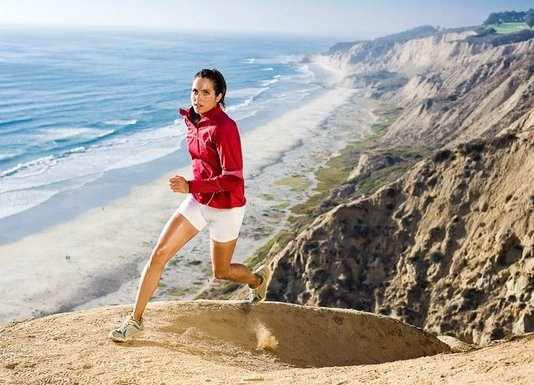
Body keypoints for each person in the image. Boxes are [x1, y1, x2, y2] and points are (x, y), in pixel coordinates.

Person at [109, 68, 270, 342]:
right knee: (159, 255)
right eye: (195, 91)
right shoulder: (192, 120)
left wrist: (190, 185)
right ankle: (134, 321)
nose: (198, 97)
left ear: (219, 96)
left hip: (226, 208)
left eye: (206, 92)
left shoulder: (225, 128)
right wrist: (193, 189)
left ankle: (257, 281)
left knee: (222, 272)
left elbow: (233, 178)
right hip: (197, 201)